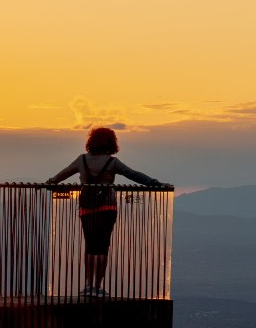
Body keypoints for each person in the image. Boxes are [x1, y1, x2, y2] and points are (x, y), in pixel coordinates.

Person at [46, 127, 166, 298]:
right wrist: (154, 183)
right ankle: (97, 287)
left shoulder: (81, 160)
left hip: (86, 208)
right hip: (107, 208)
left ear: (90, 142)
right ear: (112, 142)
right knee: (102, 247)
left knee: (90, 246)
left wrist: (50, 182)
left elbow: (62, 174)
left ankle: (87, 285)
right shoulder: (112, 162)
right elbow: (133, 175)